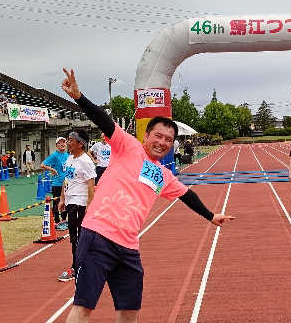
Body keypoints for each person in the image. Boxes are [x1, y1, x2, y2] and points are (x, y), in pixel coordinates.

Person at [60, 68, 234, 323]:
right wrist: (79, 97)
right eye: (158, 136)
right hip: (98, 236)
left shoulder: (163, 175)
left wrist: (210, 216)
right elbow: (104, 121)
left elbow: (187, 195)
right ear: (146, 136)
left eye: (168, 139)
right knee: (84, 306)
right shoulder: (127, 146)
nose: (163, 142)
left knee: (130, 310)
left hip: (128, 246)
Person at [57, 129, 96, 281]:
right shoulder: (69, 159)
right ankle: (80, 265)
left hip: (80, 203)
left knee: (80, 237)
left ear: (80, 144)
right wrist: (62, 199)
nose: (68, 143)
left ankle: (77, 267)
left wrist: (89, 206)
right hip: (70, 201)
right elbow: (66, 180)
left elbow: (91, 186)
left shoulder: (86, 162)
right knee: (74, 237)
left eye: (71, 140)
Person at [40, 137, 69, 231]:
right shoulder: (54, 155)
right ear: (56, 145)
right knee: (56, 202)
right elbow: (42, 165)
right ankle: (56, 222)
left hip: (67, 183)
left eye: (64, 143)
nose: (62, 144)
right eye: (60, 143)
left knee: (66, 202)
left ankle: (64, 220)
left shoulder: (68, 155)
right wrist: (52, 169)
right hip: (57, 183)